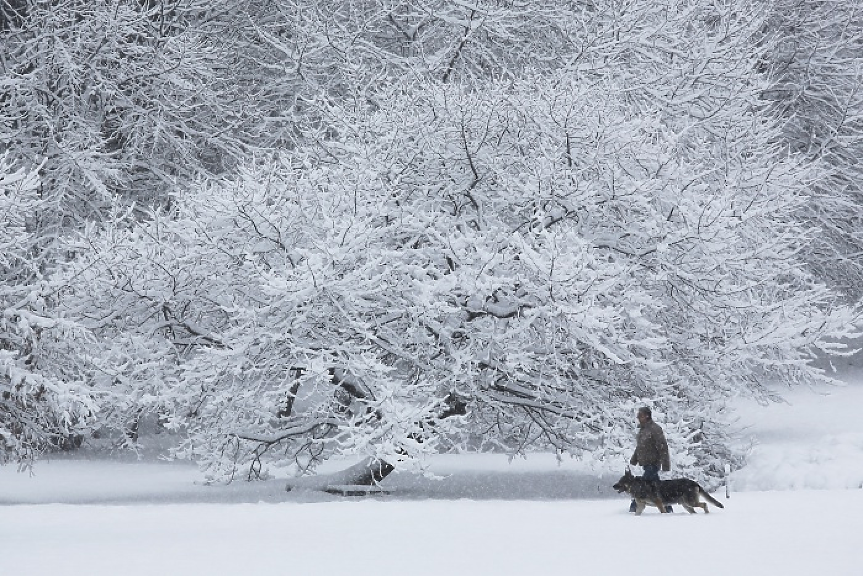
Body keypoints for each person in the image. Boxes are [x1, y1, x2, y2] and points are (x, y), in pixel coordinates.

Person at [628, 406, 673, 513]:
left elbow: (663, 447)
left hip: (653, 464)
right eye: (638, 415)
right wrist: (634, 459)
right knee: (657, 488)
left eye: (640, 415)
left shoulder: (655, 429)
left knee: (642, 485)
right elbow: (640, 447)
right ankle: (667, 507)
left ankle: (634, 507)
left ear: (647, 416)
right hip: (646, 464)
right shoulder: (643, 430)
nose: (638, 417)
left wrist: (665, 465)